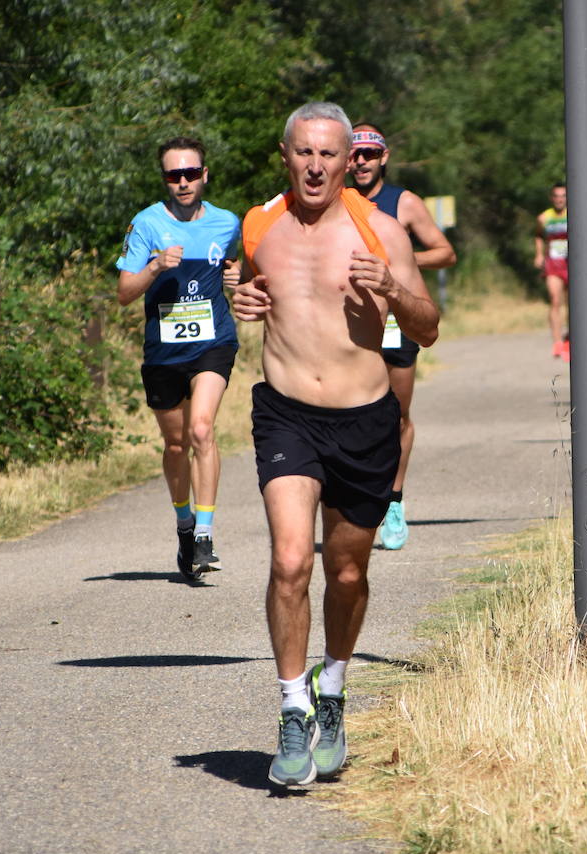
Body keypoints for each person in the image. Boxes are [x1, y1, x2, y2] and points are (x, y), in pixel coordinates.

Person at [233, 102, 438, 787]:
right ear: (285, 156)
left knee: (346, 573)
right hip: (287, 413)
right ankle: (293, 708)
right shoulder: (259, 225)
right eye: (304, 153)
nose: (315, 166)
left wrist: (393, 292)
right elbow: (252, 287)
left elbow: (429, 326)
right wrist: (244, 301)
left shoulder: (379, 230)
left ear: (350, 161)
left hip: (364, 420)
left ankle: (334, 689)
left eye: (329, 155)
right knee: (291, 560)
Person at [116, 137, 241, 582]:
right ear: (165, 180)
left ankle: (205, 534)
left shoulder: (228, 223)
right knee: (176, 445)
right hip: (164, 350)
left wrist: (241, 276)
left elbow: (242, 274)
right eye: (175, 175)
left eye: (191, 173)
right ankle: (185, 523)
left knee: (202, 429)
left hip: (213, 342)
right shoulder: (147, 224)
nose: (184, 182)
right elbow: (124, 293)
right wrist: (153, 268)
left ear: (205, 175)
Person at [347, 122, 456, 551]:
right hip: (352, 318)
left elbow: (446, 252)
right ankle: (356, 498)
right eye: (354, 154)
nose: (361, 162)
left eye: (369, 154)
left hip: (396, 316)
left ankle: (393, 500)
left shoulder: (404, 202)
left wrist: (399, 265)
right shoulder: (336, 203)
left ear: (384, 158)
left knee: (396, 414)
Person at [533, 182, 570, 361]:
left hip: (572, 263)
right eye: (556, 196)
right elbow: (538, 235)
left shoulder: (574, 214)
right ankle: (557, 342)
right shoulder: (543, 218)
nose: (560, 199)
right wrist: (539, 254)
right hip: (554, 263)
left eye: (563, 196)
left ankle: (571, 338)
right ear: (551, 198)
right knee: (555, 299)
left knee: (573, 303)